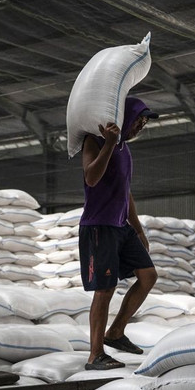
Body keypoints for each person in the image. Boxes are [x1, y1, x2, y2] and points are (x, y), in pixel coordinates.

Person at [79, 96, 160, 370]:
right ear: (125, 118)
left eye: (145, 122)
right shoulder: (95, 141)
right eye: (139, 119)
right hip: (99, 226)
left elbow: (126, 191)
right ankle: (95, 355)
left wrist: (137, 229)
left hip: (121, 226)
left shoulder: (125, 149)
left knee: (148, 276)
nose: (141, 125)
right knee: (105, 289)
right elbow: (91, 177)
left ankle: (115, 332)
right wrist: (110, 145)